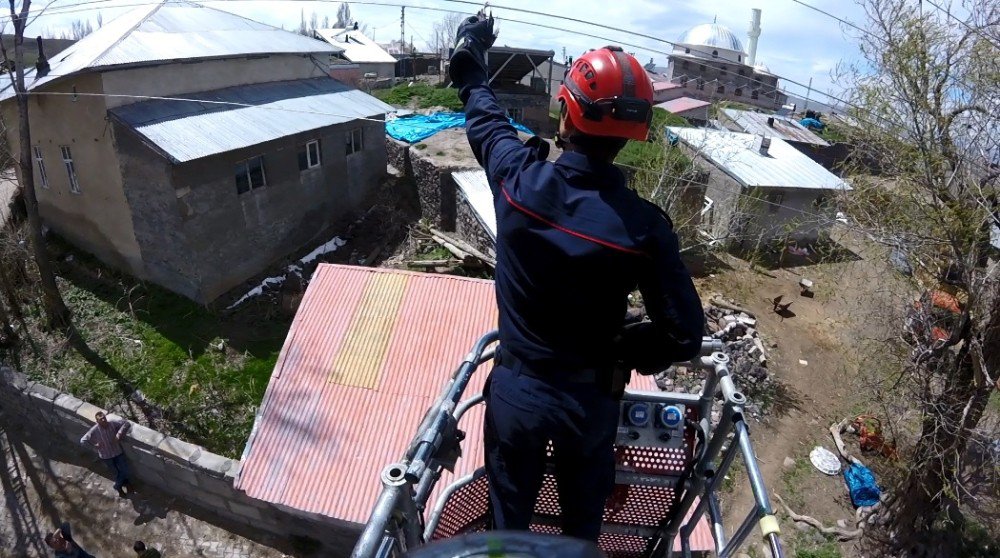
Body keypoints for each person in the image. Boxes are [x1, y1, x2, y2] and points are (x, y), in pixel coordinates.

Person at [449, 13, 705, 542]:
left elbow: (483, 115)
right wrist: (628, 346)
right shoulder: (644, 228)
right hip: (588, 404)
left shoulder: (519, 180)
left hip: (517, 393)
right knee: (580, 530)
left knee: (508, 523)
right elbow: (683, 334)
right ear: (633, 135)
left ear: (565, 111)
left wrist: (472, 57)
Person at [81, 410, 134, 495]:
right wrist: (94, 445)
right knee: (116, 473)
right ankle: (122, 487)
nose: (103, 420)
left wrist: (118, 435)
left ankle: (117, 486)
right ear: (97, 421)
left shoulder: (112, 423)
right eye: (100, 419)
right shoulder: (94, 430)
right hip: (106, 456)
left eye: (104, 418)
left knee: (125, 470)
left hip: (117, 452)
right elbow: (83, 441)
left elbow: (126, 423)